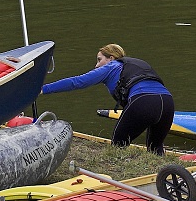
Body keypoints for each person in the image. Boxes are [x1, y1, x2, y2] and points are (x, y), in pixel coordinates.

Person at [41, 43, 174, 155]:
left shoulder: (111, 66)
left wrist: (42, 89)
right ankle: (163, 177)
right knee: (155, 148)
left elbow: (77, 82)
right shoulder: (134, 65)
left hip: (143, 100)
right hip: (168, 102)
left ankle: (121, 178)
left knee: (118, 144)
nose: (96, 65)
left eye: (99, 60)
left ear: (111, 58)